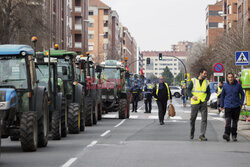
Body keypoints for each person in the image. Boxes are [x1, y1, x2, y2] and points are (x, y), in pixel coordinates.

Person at [187, 68, 211, 141]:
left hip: (203, 102)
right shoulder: (193, 80)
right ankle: (192, 132)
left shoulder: (206, 82)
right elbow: (188, 90)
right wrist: (191, 96)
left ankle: (202, 135)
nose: (205, 75)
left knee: (204, 119)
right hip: (195, 103)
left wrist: (206, 99)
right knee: (192, 119)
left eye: (206, 74)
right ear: (200, 73)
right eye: (204, 73)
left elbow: (208, 92)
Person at [220, 73, 245, 142]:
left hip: (236, 106)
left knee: (234, 123)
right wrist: (221, 106)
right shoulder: (225, 86)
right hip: (228, 106)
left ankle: (234, 135)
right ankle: (226, 134)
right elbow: (222, 96)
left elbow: (242, 94)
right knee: (228, 121)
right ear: (227, 78)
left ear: (233, 78)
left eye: (231, 77)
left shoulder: (238, 85)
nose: (230, 78)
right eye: (229, 77)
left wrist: (241, 103)